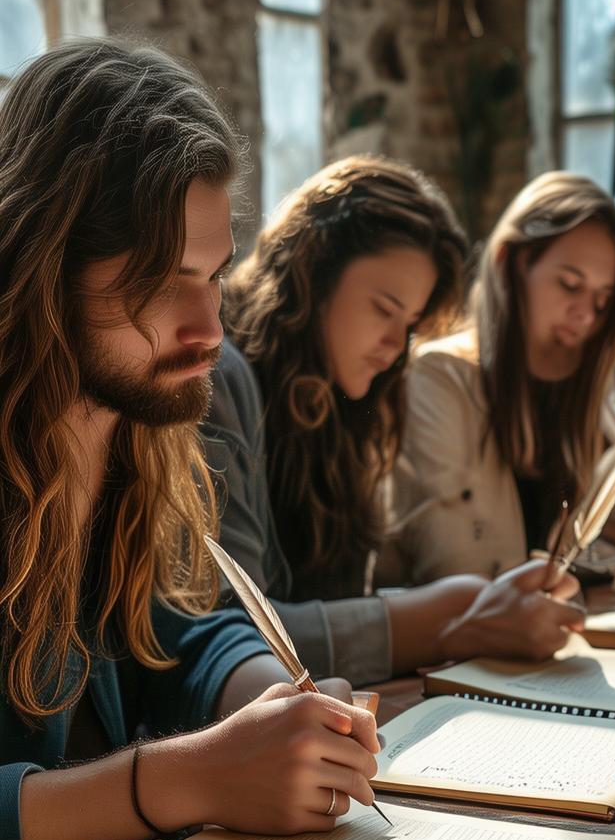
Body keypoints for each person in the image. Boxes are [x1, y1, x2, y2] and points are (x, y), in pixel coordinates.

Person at [0, 40, 378, 840]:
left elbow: (173, 633)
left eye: (213, 275)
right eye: (161, 281)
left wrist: (267, 702)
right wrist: (188, 778)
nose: (209, 329)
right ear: (42, 262)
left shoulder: (127, 428)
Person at [203, 156, 586, 686]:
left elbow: (332, 605)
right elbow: (233, 632)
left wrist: (460, 610)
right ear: (312, 274)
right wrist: (451, 618)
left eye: (410, 325)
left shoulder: (348, 408)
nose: (396, 346)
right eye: (384, 309)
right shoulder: (217, 377)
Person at [386, 171, 615, 586]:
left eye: (602, 301)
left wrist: (596, 441)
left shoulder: (565, 407)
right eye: (569, 285)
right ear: (510, 263)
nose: (585, 317)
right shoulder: (438, 383)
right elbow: (462, 580)